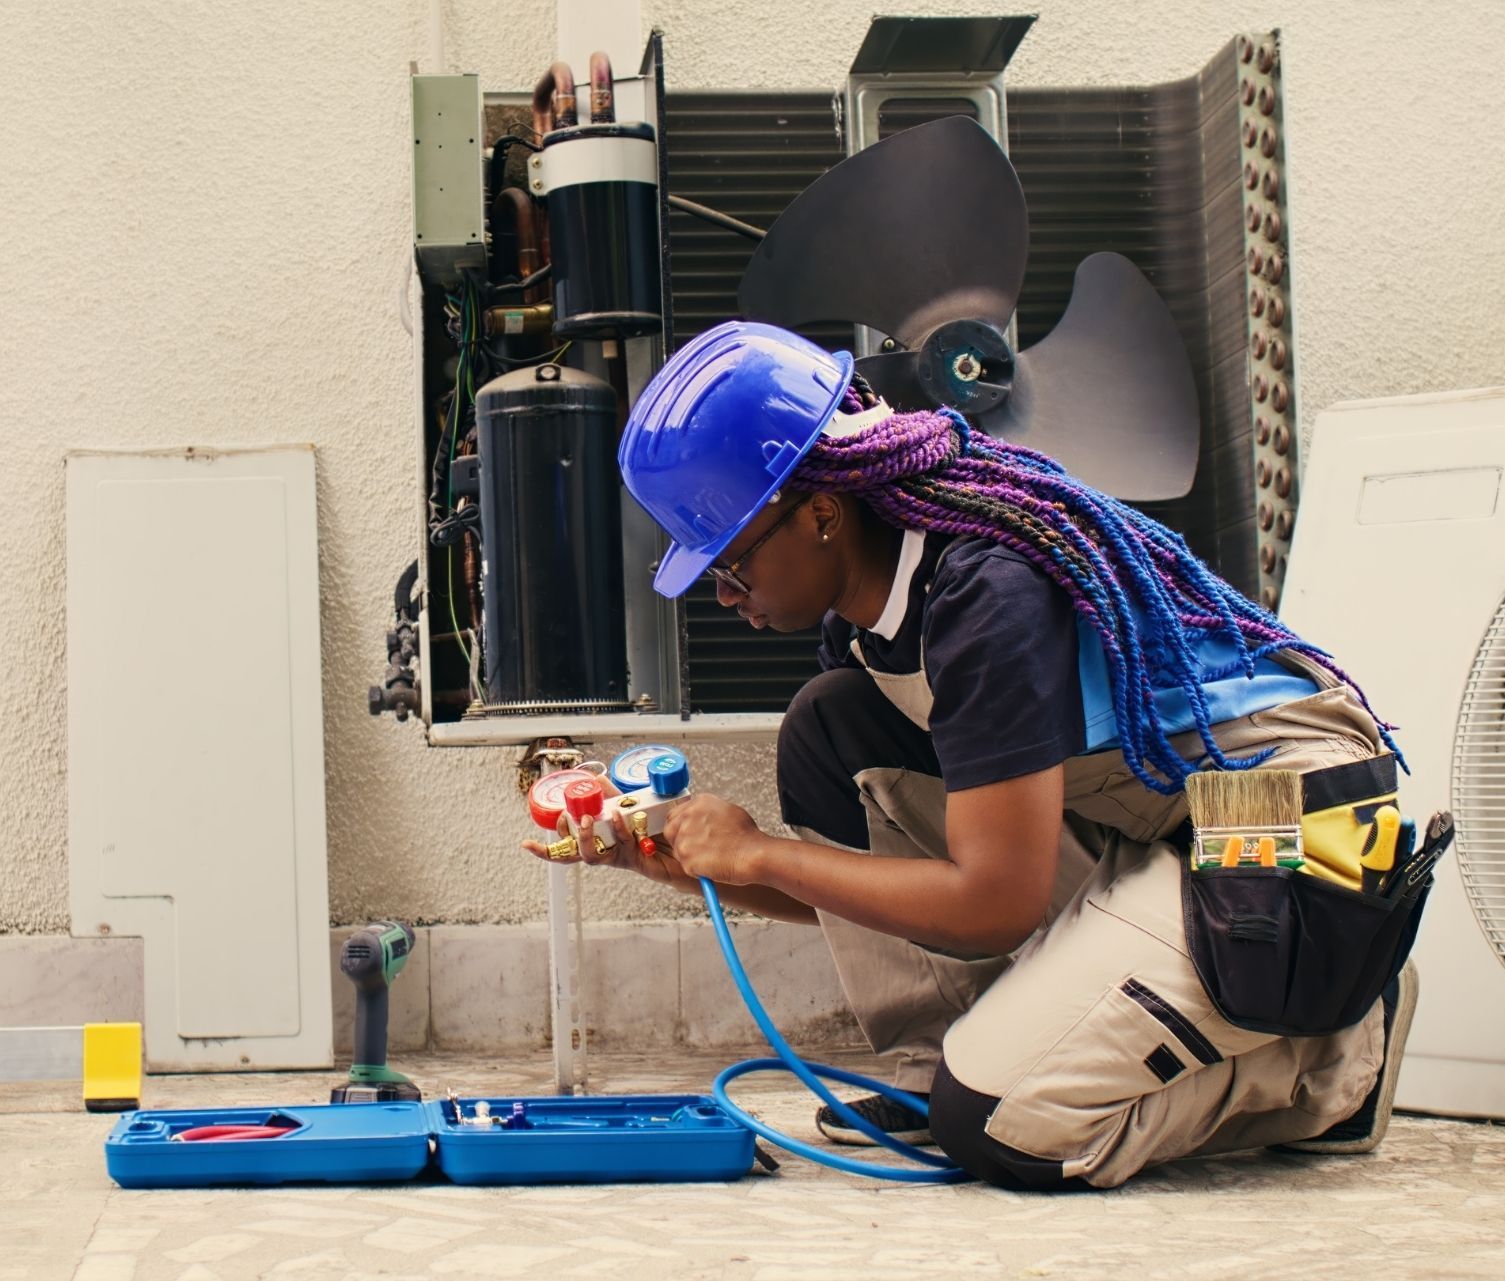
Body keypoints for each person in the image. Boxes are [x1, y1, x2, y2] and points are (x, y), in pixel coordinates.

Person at [522, 320, 1417, 1190]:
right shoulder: (871, 625)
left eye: (732, 563)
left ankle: (1328, 1062)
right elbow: (856, 892)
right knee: (831, 728)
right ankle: (938, 1057)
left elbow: (994, 901)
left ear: (823, 512)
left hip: (1281, 823)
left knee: (1001, 1123)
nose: (724, 595)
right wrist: (678, 864)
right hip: (1153, 821)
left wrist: (756, 851)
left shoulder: (984, 594)